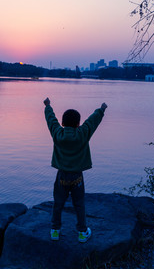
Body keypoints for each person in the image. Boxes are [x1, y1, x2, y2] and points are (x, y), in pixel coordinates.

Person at [43, 97, 108, 243]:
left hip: (62, 176)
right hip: (77, 176)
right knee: (79, 204)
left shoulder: (57, 134)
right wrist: (101, 109)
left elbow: (50, 120)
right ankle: (82, 232)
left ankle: (55, 230)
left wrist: (48, 106)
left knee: (58, 203)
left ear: (63, 123)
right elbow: (92, 122)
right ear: (78, 124)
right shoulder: (82, 134)